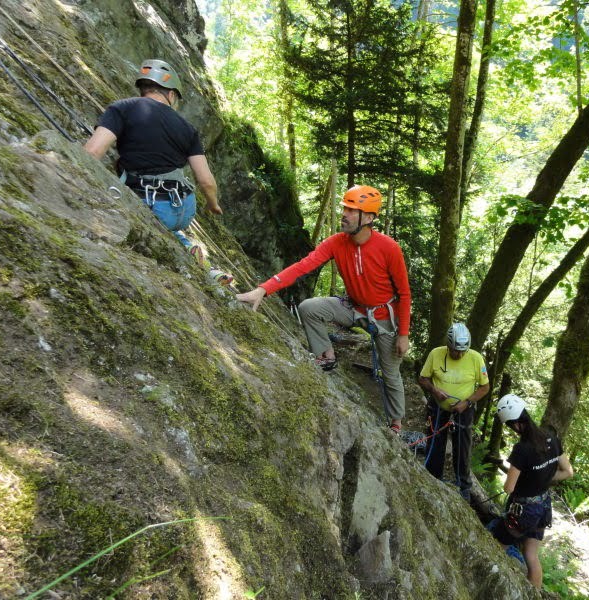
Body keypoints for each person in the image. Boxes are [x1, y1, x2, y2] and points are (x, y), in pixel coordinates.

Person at [236, 185, 411, 433]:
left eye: (353, 210)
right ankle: (326, 357)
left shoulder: (389, 248)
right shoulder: (336, 243)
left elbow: (404, 293)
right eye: (345, 208)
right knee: (310, 308)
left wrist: (403, 334)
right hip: (354, 308)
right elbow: (302, 266)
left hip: (384, 316)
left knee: (390, 372)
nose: (345, 214)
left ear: (369, 218)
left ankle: (396, 423)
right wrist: (263, 289)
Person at [83, 59, 231, 284]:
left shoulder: (122, 108)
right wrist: (213, 205)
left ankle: (189, 253)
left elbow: (92, 152)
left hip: (151, 203)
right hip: (184, 207)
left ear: (143, 88)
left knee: (142, 223)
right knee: (166, 230)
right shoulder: (187, 128)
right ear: (171, 94)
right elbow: (206, 181)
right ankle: (199, 260)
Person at [489, 394, 573, 589]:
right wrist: (543, 478)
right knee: (531, 555)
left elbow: (508, 488)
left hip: (522, 510)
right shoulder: (551, 437)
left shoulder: (521, 449)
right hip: (543, 505)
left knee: (496, 547)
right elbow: (568, 471)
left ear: (516, 424)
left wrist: (530, 478)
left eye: (510, 426)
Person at [418, 322, 489, 500]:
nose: (458, 355)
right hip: (438, 406)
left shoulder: (475, 358)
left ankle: (463, 486)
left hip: (464, 408)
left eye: (462, 351)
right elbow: (423, 378)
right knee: (436, 441)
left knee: (462, 446)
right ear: (448, 345)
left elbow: (484, 387)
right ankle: (432, 476)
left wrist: (467, 402)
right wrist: (434, 390)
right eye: (454, 350)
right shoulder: (436, 354)